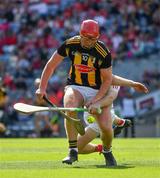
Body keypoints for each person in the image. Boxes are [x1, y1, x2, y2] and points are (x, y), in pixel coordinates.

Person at [36, 19, 116, 166]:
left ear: (98, 37)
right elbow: (51, 65)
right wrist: (42, 88)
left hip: (97, 89)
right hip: (76, 86)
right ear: (81, 34)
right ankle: (72, 150)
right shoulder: (70, 44)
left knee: (105, 127)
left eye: (93, 38)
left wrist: (96, 100)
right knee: (70, 105)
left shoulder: (103, 52)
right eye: (87, 38)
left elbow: (107, 81)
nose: (90, 41)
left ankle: (107, 150)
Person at [77, 78, 148, 154]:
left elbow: (111, 97)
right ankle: (120, 123)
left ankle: (107, 150)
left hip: (98, 120)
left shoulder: (108, 78)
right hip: (90, 114)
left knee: (75, 148)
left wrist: (96, 104)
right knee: (76, 148)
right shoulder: (86, 76)